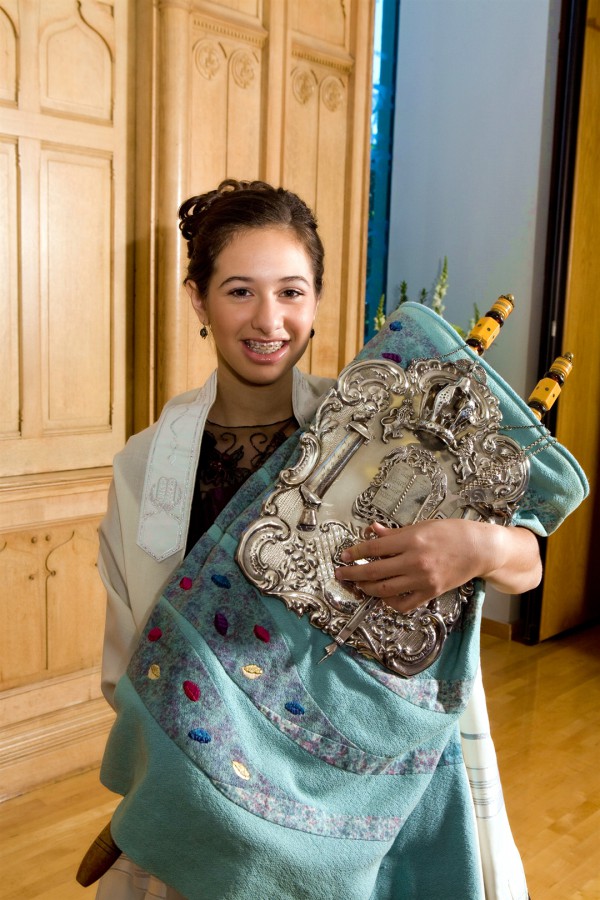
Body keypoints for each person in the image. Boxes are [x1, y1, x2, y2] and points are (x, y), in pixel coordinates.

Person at [93, 179, 549, 900]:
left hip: (358, 793)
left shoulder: (382, 425)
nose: (268, 319)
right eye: (240, 291)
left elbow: (525, 560)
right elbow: (133, 656)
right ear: (197, 299)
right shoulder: (148, 466)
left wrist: (479, 548)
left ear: (316, 301)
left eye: (292, 292)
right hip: (207, 780)